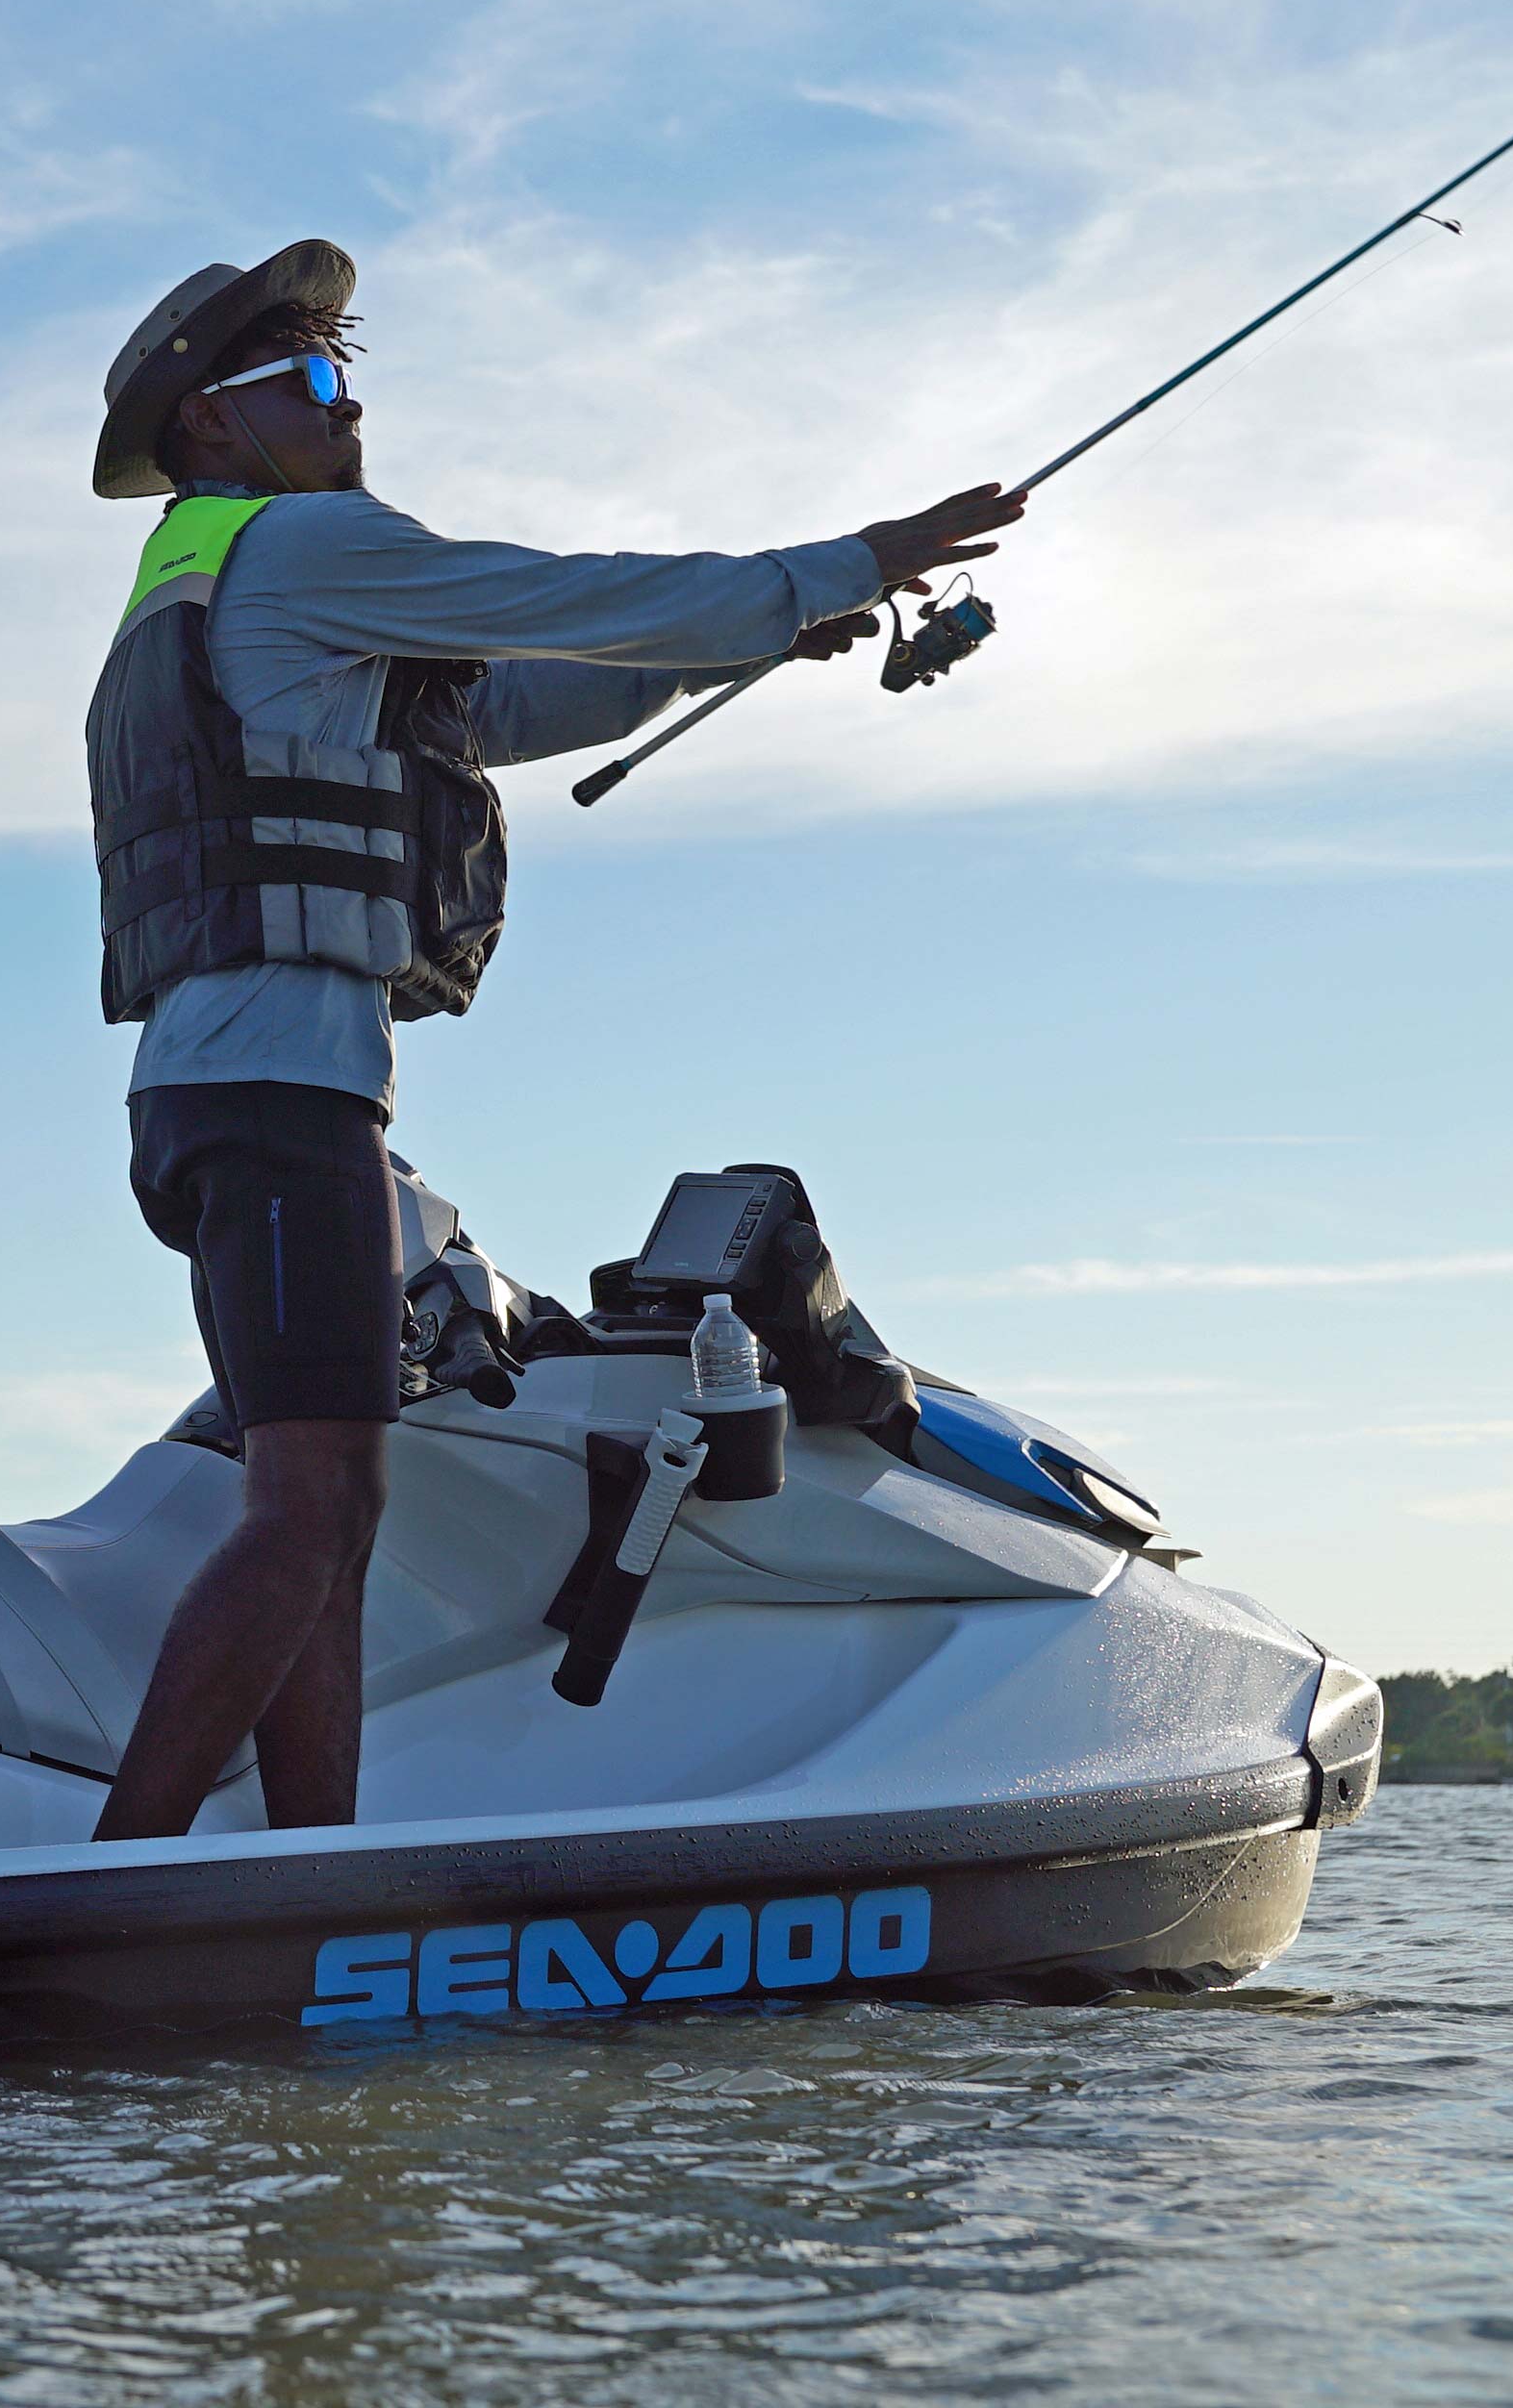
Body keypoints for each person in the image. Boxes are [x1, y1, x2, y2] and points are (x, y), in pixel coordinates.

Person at [81, 238, 1023, 1843]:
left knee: (336, 1506)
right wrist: (846, 562)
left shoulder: (219, 580)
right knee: (308, 1508)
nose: (348, 410)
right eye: (309, 384)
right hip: (275, 1092)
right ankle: (117, 1878)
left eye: (348, 379)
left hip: (237, 1092)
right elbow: (564, 597)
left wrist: (740, 642)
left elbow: (510, 705)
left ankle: (307, 1868)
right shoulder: (303, 545)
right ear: (218, 428)